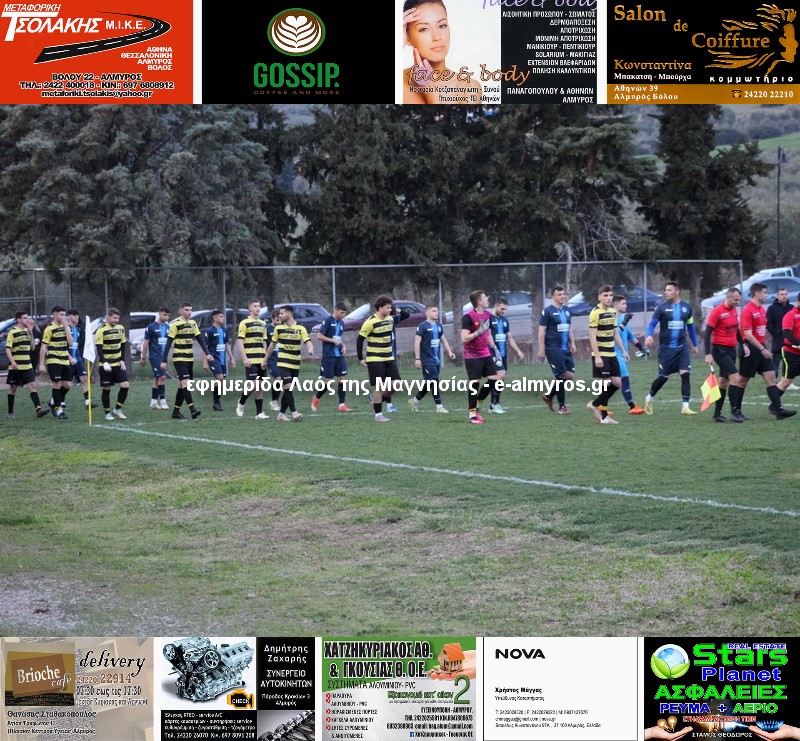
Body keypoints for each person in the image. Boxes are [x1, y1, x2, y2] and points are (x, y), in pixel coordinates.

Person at [401, 0, 482, 105]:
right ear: (407, 37)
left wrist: (433, 95)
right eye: (424, 29)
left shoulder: (468, 88)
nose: (437, 37)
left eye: (442, 26)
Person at [735, 282, 796, 419]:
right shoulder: (748, 310)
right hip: (750, 349)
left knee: (771, 379)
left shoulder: (762, 310)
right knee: (743, 381)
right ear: (757, 294)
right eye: (765, 293)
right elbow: (748, 335)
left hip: (761, 348)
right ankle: (736, 411)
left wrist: (764, 346)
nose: (767, 295)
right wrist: (762, 348)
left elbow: (762, 331)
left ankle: (778, 410)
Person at [643, 281, 699, 416]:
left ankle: (685, 407)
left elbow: (690, 328)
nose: (666, 292)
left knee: (685, 375)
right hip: (666, 349)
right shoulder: (661, 308)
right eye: (666, 290)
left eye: (669, 290)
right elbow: (652, 325)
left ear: (677, 292)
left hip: (682, 348)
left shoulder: (686, 308)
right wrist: (649, 335)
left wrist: (695, 345)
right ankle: (649, 398)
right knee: (663, 377)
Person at [161, 302, 214, 420]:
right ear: (181, 311)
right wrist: (164, 360)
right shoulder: (175, 325)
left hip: (190, 358)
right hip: (179, 358)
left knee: (182, 385)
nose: (189, 312)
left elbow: (200, 339)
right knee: (186, 384)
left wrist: (208, 354)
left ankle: (176, 412)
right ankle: (192, 410)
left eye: (190, 310)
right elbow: (168, 343)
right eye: (186, 310)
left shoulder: (193, 324)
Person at [461, 290, 506, 425]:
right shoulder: (468, 317)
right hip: (472, 355)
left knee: (495, 380)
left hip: (486, 353)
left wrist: (495, 350)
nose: (487, 299)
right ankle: (472, 415)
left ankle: (477, 403)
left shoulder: (488, 315)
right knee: (474, 383)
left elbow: (488, 335)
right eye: (485, 297)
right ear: (479, 301)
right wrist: (478, 331)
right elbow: (464, 338)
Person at [704, 287, 746, 422]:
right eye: (735, 300)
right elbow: (707, 334)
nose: (737, 302)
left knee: (723, 382)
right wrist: (707, 353)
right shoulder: (717, 311)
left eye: (739, 300)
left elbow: (736, 330)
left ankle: (717, 414)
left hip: (731, 350)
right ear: (728, 298)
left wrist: (743, 344)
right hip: (719, 350)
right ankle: (735, 412)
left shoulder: (734, 310)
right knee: (735, 378)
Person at [357, 295, 402, 422]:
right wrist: (361, 358)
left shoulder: (390, 319)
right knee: (379, 386)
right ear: (380, 308)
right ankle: (378, 415)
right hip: (375, 358)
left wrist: (396, 309)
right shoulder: (370, 322)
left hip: (389, 357)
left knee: (396, 384)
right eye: (388, 307)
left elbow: (405, 315)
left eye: (390, 307)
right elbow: (360, 340)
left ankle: (376, 402)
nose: (390, 310)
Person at [587, 286, 628, 424]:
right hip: (601, 353)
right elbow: (592, 336)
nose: (608, 298)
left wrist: (624, 351)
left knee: (617, 383)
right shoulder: (595, 313)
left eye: (610, 295)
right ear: (599, 297)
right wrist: (597, 356)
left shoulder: (612, 312)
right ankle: (604, 416)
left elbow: (615, 334)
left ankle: (594, 404)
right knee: (604, 384)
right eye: (605, 295)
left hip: (612, 353)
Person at [266, 305, 314, 421]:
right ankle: (294, 412)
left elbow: (307, 341)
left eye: (282, 313)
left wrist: (310, 348)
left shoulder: (300, 328)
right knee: (287, 386)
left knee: (288, 390)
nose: (280, 315)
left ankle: (281, 414)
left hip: (295, 364)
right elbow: (272, 345)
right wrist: (265, 359)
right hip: (283, 363)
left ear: (289, 314)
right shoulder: (278, 329)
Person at [537, 285, 576, 415]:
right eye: (559, 294)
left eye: (563, 294)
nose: (562, 296)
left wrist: (573, 343)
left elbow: (569, 327)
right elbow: (541, 330)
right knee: (561, 376)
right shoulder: (547, 311)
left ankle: (548, 395)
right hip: (553, 348)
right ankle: (562, 407)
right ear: (553, 296)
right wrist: (541, 349)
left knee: (570, 376)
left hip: (565, 348)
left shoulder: (567, 310)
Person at [409, 304, 455, 413]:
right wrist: (417, 359)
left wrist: (449, 352)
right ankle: (439, 407)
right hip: (426, 359)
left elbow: (443, 340)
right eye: (434, 311)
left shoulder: (438, 325)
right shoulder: (422, 326)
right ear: (427, 313)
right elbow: (417, 343)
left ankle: (415, 400)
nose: (436, 313)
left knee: (430, 382)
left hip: (436, 359)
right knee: (434, 381)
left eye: (437, 311)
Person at [4, 312, 49, 419]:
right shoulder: (12, 332)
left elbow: (32, 347)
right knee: (13, 388)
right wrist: (13, 362)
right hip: (16, 366)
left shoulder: (27, 331)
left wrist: (31, 333)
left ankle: (38, 409)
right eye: (25, 318)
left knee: (32, 385)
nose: (27, 320)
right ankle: (10, 412)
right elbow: (7, 349)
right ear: (18, 320)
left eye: (27, 318)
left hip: (27, 365)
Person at [312, 302, 353, 413]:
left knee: (342, 379)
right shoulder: (328, 321)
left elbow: (338, 338)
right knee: (329, 381)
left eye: (344, 313)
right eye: (342, 313)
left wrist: (343, 345)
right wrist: (332, 341)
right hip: (329, 355)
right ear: (336, 310)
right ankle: (317, 397)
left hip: (339, 355)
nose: (343, 315)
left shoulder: (342, 323)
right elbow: (319, 335)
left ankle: (342, 405)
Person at [488, 297, 524, 414]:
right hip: (493, 354)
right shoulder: (488, 319)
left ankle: (492, 404)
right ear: (496, 306)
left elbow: (509, 338)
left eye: (505, 309)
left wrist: (518, 351)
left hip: (503, 354)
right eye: (502, 309)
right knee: (500, 377)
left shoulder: (504, 321)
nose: (504, 311)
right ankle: (494, 404)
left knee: (499, 379)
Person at [39, 305, 75, 420]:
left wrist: (66, 328)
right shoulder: (49, 329)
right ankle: (59, 410)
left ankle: (53, 401)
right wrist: (41, 364)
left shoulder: (66, 327)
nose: (64, 317)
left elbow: (71, 343)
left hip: (65, 360)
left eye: (64, 314)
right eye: (61, 314)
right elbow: (43, 347)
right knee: (57, 384)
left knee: (68, 385)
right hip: (53, 360)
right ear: (54, 315)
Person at [94, 308, 130, 421]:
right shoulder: (101, 330)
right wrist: (104, 362)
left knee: (125, 385)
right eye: (114, 318)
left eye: (117, 318)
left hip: (118, 364)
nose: (116, 320)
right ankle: (107, 413)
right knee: (107, 388)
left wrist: (122, 360)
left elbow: (123, 345)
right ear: (108, 317)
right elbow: (99, 348)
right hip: (106, 365)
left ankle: (117, 409)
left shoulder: (120, 328)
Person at [236, 299, 269, 420]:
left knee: (259, 386)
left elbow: (264, 342)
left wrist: (265, 358)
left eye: (259, 306)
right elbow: (240, 341)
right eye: (255, 306)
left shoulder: (263, 324)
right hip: (250, 359)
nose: (257, 308)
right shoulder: (244, 323)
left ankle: (259, 413)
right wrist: (244, 358)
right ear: (249, 308)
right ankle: (241, 401)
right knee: (253, 385)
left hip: (261, 360)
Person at [613, 295, 647, 415]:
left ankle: (600, 405)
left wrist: (641, 347)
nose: (626, 306)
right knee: (624, 378)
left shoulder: (623, 318)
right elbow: (614, 334)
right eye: (623, 303)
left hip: (622, 354)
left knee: (613, 382)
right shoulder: (612, 318)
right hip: (614, 353)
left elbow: (629, 335)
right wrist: (624, 322)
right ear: (616, 305)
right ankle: (631, 406)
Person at [202, 309, 236, 411]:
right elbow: (205, 348)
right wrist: (205, 363)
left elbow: (226, 345)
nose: (223, 318)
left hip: (222, 359)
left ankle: (216, 402)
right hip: (213, 358)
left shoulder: (224, 330)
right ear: (215, 318)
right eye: (221, 316)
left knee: (221, 380)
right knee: (220, 377)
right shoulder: (210, 331)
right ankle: (216, 402)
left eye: (223, 316)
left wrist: (232, 358)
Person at [139, 306, 171, 410]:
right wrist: (143, 357)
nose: (166, 317)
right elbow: (145, 344)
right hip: (155, 357)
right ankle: (163, 401)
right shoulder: (151, 327)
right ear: (159, 313)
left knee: (158, 378)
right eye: (164, 315)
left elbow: (170, 342)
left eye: (168, 315)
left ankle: (153, 402)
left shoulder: (168, 327)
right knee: (162, 377)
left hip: (164, 357)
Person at [65, 308, 97, 409]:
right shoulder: (65, 329)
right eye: (74, 315)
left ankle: (88, 402)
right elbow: (62, 346)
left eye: (77, 315)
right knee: (66, 384)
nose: (76, 317)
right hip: (67, 358)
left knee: (84, 378)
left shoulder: (78, 329)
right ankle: (56, 401)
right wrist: (69, 357)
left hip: (77, 357)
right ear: (69, 316)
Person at [766, 287, 797, 386]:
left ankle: (788, 382)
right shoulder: (772, 308)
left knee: (789, 362)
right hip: (778, 341)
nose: (784, 296)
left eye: (785, 294)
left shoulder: (791, 308)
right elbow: (769, 324)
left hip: (790, 341)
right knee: (776, 362)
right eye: (782, 294)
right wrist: (776, 334)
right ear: (777, 296)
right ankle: (773, 382)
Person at [777, 291, 800, 396]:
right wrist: (798, 343)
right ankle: (774, 403)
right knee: (786, 382)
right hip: (791, 353)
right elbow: (787, 332)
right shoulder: (790, 315)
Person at [267, 308, 282, 412]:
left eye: (280, 320)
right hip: (271, 360)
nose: (279, 322)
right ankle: (274, 401)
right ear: (272, 319)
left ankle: (275, 401)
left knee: (282, 381)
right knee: (278, 379)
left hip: (282, 359)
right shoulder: (267, 329)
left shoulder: (283, 329)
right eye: (277, 320)